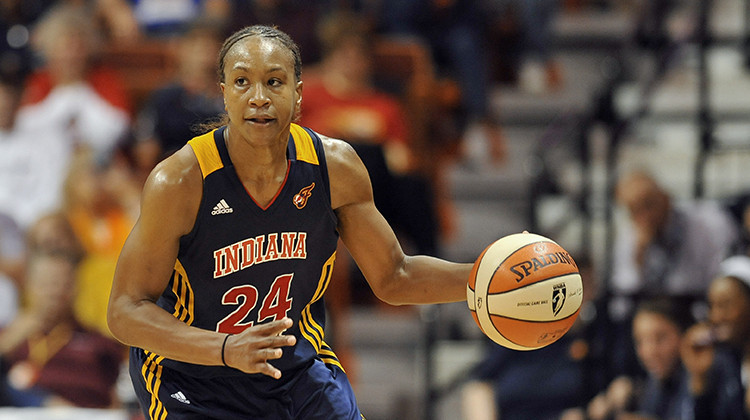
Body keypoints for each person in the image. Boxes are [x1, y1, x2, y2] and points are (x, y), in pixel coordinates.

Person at [107, 25, 473, 419]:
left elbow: (395, 276)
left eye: (274, 82)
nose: (259, 97)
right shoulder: (180, 181)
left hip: (293, 371)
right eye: (243, 82)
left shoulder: (335, 167)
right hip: (193, 378)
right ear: (225, 94)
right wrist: (226, 349)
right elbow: (125, 309)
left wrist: (484, 278)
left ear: (298, 94)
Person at [0, 213, 124, 408]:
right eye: (46, 284)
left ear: (76, 289)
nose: (54, 292)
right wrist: (7, 345)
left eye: (63, 284)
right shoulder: (9, 337)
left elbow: (116, 398)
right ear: (28, 287)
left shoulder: (99, 344)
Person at [562, 297, 696, 420]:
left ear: (685, 334)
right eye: (640, 341)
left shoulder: (698, 378)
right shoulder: (654, 382)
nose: (649, 351)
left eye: (660, 338)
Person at [680, 256, 750, 420]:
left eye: (725, 305)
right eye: (712, 306)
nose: (716, 317)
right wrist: (699, 378)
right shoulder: (724, 361)